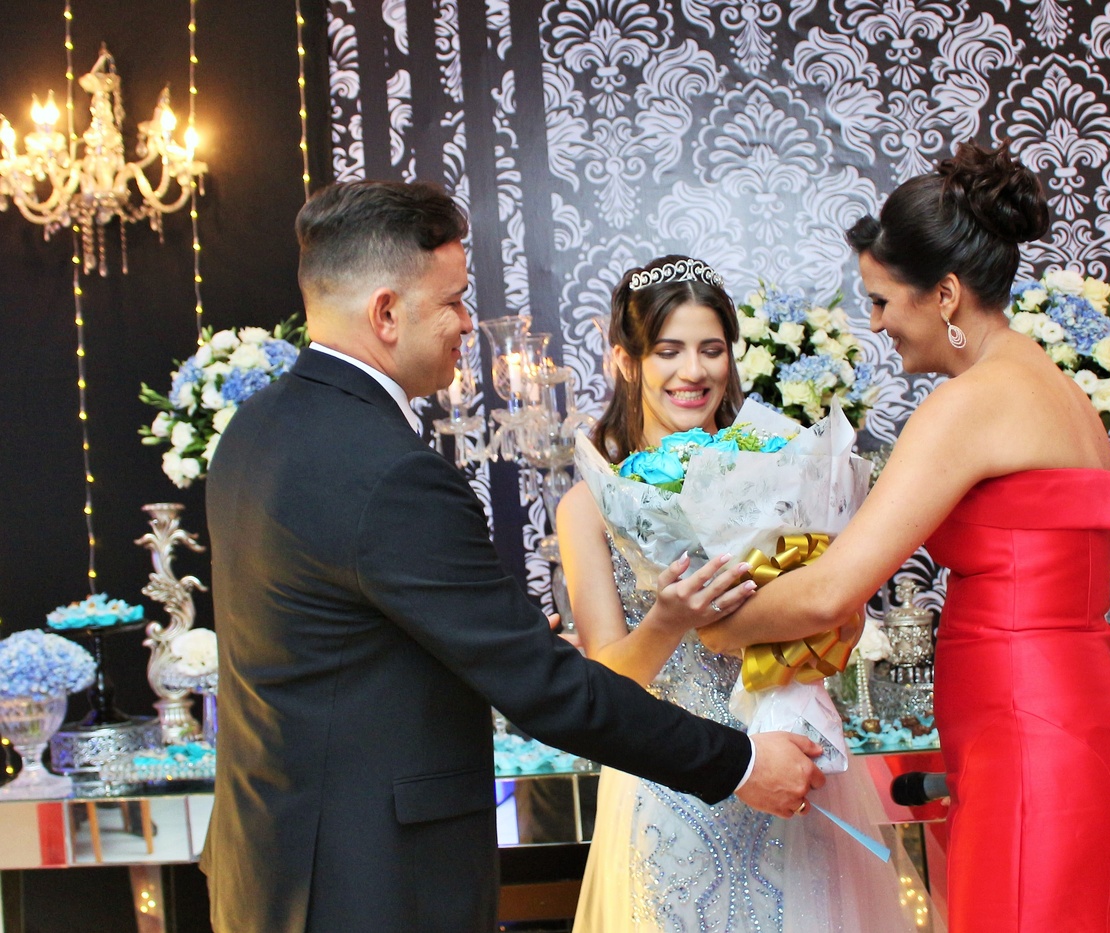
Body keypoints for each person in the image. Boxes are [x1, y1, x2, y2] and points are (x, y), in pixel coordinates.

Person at [202, 182, 826, 933]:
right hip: (368, 882)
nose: (469, 323)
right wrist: (740, 763)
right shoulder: (390, 471)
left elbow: (342, 649)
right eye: (454, 301)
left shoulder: (254, 430)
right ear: (386, 313)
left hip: (269, 864)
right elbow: (543, 687)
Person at [700, 142, 1110, 933]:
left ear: (945, 293)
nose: (875, 322)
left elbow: (834, 589)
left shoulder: (970, 403)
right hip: (1085, 729)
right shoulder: (1058, 389)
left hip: (1034, 745)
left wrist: (712, 625)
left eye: (883, 300)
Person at [557, 254, 932, 932]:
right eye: (668, 350)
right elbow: (602, 687)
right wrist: (668, 620)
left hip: (789, 768)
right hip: (668, 795)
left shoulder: (781, 474)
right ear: (625, 361)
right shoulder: (589, 507)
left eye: (711, 349)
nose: (693, 371)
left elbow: (831, 614)